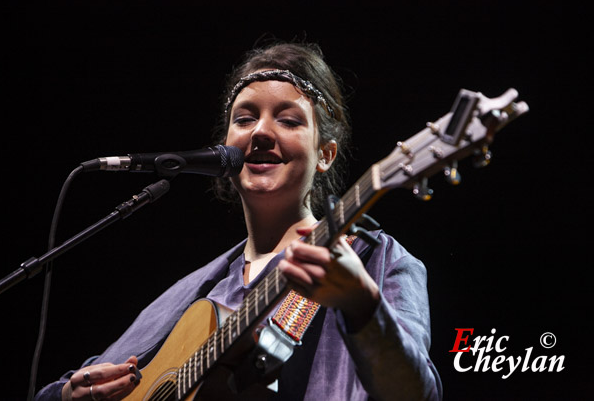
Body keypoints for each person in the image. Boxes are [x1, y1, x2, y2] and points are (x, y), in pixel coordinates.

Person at [35, 41, 442, 400]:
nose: (260, 132)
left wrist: (362, 305)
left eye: (288, 119)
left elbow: (417, 393)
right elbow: (83, 380)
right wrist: (72, 395)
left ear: (325, 154)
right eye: (245, 119)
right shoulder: (197, 288)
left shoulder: (376, 260)